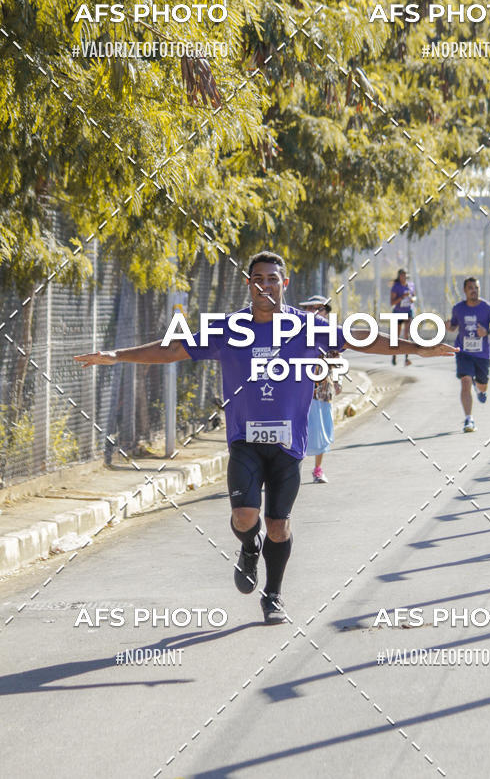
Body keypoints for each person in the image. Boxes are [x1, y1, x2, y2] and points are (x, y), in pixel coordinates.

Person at [75, 252, 456, 624]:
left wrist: (419, 347)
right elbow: (174, 348)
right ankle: (247, 547)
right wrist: (118, 354)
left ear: (284, 284)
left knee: (279, 525)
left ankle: (273, 594)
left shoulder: (308, 327)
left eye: (273, 279)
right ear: (249, 285)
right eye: (259, 279)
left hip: (289, 445)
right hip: (244, 440)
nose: (265, 285)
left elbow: (361, 338)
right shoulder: (229, 329)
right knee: (244, 518)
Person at [445, 277, 490, 433]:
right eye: (470, 287)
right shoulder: (458, 308)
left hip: (482, 355)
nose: (473, 290)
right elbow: (454, 326)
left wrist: (487, 332)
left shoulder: (487, 308)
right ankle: (469, 419)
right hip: (463, 352)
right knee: (465, 381)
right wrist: (448, 326)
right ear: (465, 290)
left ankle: (480, 388)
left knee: (482, 385)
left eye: (476, 287)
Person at [297, 294, 341, 484]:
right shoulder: (296, 331)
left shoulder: (330, 333)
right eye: (311, 308)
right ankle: (293, 471)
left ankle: (317, 469)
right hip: (299, 391)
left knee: (321, 431)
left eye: (320, 308)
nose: (315, 312)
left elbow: (336, 359)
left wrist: (338, 381)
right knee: (299, 431)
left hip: (322, 390)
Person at [390, 269, 416, 366]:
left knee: (407, 335)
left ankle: (406, 358)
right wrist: (402, 297)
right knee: (396, 336)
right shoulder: (395, 287)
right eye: (402, 276)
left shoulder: (411, 285)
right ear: (399, 276)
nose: (403, 277)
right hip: (398, 312)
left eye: (405, 275)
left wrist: (412, 299)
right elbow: (392, 303)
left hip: (408, 311)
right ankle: (394, 355)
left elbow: (414, 297)